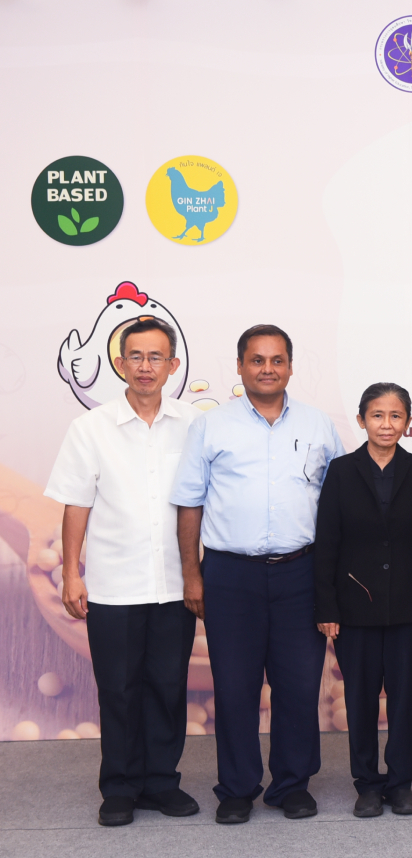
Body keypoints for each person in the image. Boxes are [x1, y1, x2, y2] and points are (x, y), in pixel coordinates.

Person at [171, 324, 345, 824]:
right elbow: (189, 503)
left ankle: (292, 785)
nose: (267, 369)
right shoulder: (211, 426)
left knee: (299, 686)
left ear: (290, 366)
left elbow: (338, 503)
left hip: (301, 573)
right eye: (256, 360)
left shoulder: (318, 425)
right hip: (231, 575)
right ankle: (237, 788)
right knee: (234, 686)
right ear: (240, 366)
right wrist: (192, 576)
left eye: (276, 360)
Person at [44, 319, 203, 827]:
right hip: (113, 584)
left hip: (175, 584)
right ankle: (119, 786)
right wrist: (72, 573)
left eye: (156, 357)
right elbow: (76, 504)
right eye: (135, 356)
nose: (145, 367)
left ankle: (161, 783)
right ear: (119, 363)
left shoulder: (193, 424)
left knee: (167, 686)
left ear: (173, 365)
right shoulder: (90, 428)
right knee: (118, 688)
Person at [314, 383, 412, 817]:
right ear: (361, 420)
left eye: (395, 416)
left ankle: (401, 782)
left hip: (410, 605)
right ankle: (367, 784)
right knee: (361, 700)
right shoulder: (341, 471)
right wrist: (327, 607)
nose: (386, 424)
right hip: (354, 608)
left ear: (408, 421)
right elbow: (327, 543)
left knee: (405, 700)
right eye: (377, 415)